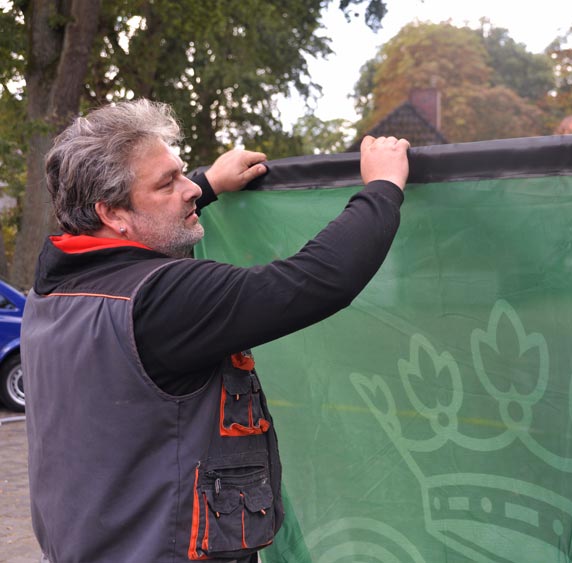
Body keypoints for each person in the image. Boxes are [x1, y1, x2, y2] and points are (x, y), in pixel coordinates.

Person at [21, 99, 410, 563]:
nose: (188, 188)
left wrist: (207, 185)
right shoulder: (162, 300)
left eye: (183, 173)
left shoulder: (52, 288)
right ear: (111, 214)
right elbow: (316, 282)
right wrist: (382, 187)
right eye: (169, 182)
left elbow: (137, 231)